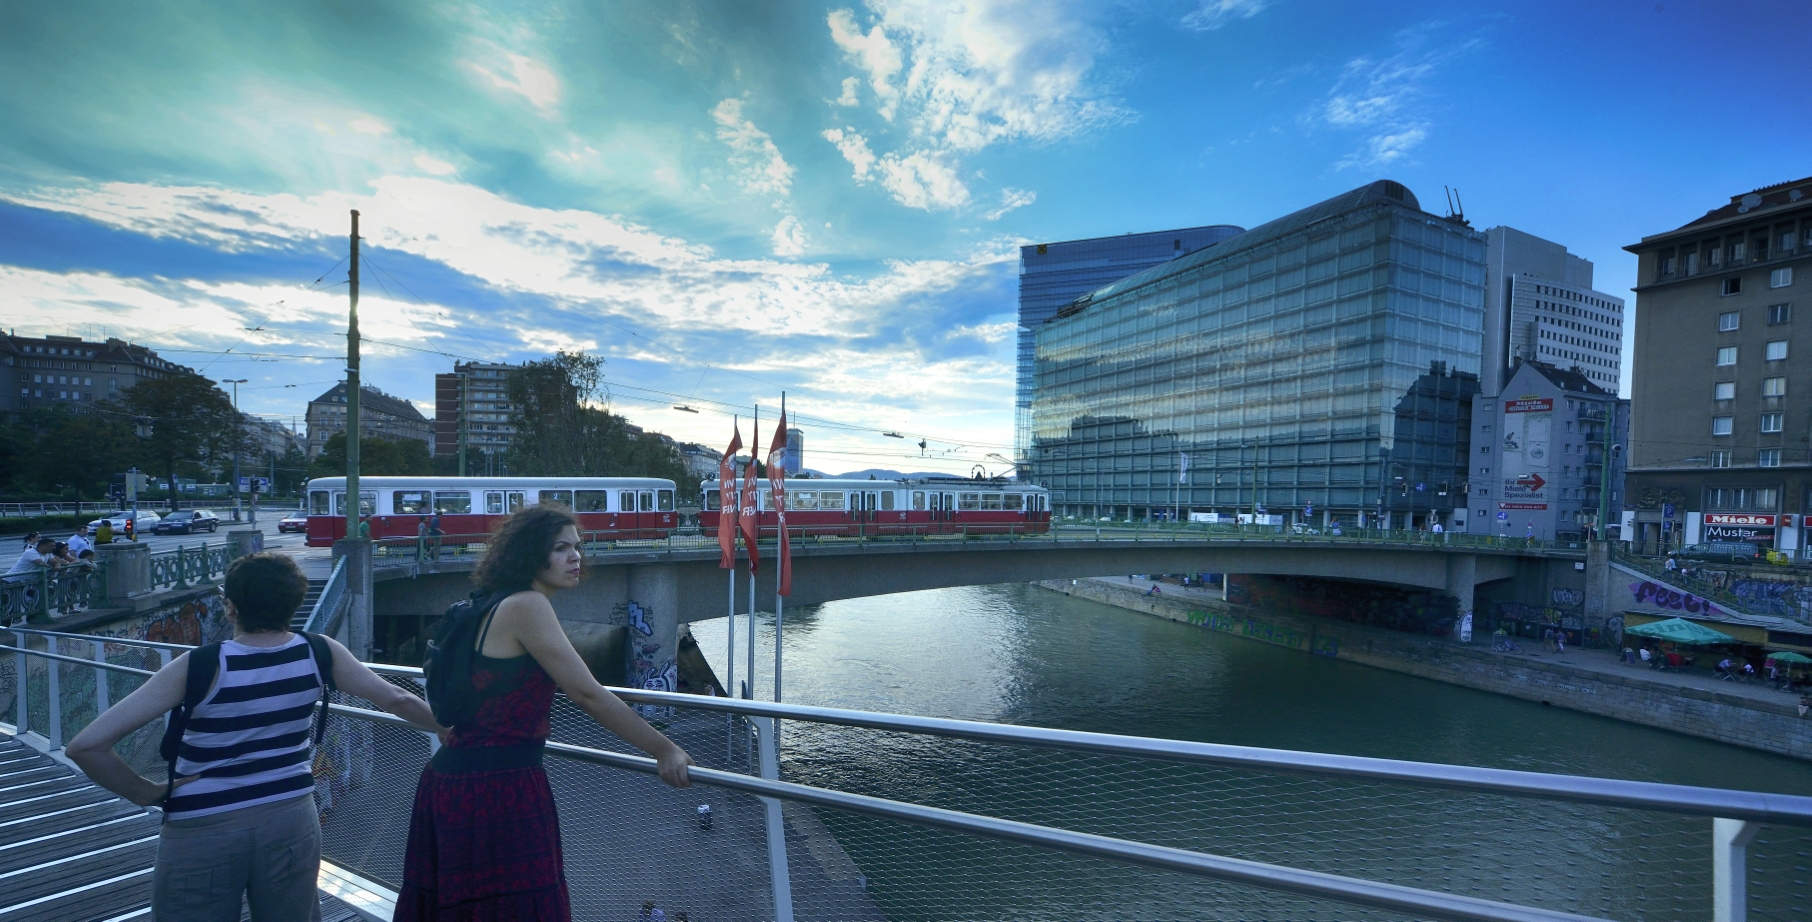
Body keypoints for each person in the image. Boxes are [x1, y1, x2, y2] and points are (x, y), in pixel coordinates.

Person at [65, 552, 446, 922]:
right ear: (293, 604)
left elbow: (86, 747)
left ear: (230, 608)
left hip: (203, 827)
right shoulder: (319, 652)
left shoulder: (200, 665)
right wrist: (453, 731)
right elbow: (398, 699)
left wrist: (146, 792)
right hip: (291, 817)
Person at [395, 505, 692, 921]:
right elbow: (587, 694)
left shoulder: (490, 603)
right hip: (497, 789)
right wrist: (664, 749)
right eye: (561, 548)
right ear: (530, 554)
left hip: (456, 781)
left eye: (578, 547)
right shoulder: (528, 606)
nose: (576, 557)